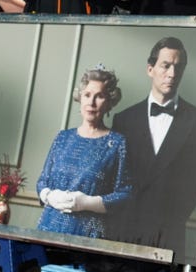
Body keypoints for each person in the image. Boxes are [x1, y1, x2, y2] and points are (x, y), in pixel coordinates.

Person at [111, 37, 196, 263]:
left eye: (179, 67)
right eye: (166, 65)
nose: (172, 74)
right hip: (125, 232)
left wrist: (169, 223)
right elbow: (116, 179)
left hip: (169, 235)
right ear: (150, 69)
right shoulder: (124, 119)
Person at [36, 66, 130, 238]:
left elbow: (124, 195)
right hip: (47, 230)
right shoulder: (63, 137)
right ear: (80, 98)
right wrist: (49, 196)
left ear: (109, 102)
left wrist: (86, 203)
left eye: (99, 96)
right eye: (87, 95)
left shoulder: (117, 143)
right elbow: (42, 182)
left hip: (88, 236)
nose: (91, 102)